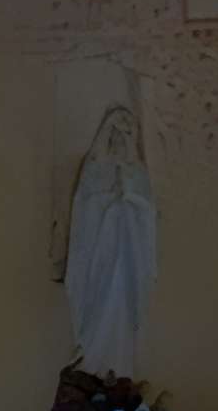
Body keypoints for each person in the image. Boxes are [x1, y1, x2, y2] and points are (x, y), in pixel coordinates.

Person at [64, 103, 157, 379]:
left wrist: (127, 200)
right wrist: (112, 201)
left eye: (125, 138)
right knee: (98, 308)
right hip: (99, 259)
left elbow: (147, 213)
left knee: (122, 315)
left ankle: (118, 372)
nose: (119, 142)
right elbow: (84, 208)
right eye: (114, 136)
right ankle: (91, 358)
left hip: (128, 259)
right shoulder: (94, 169)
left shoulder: (137, 172)